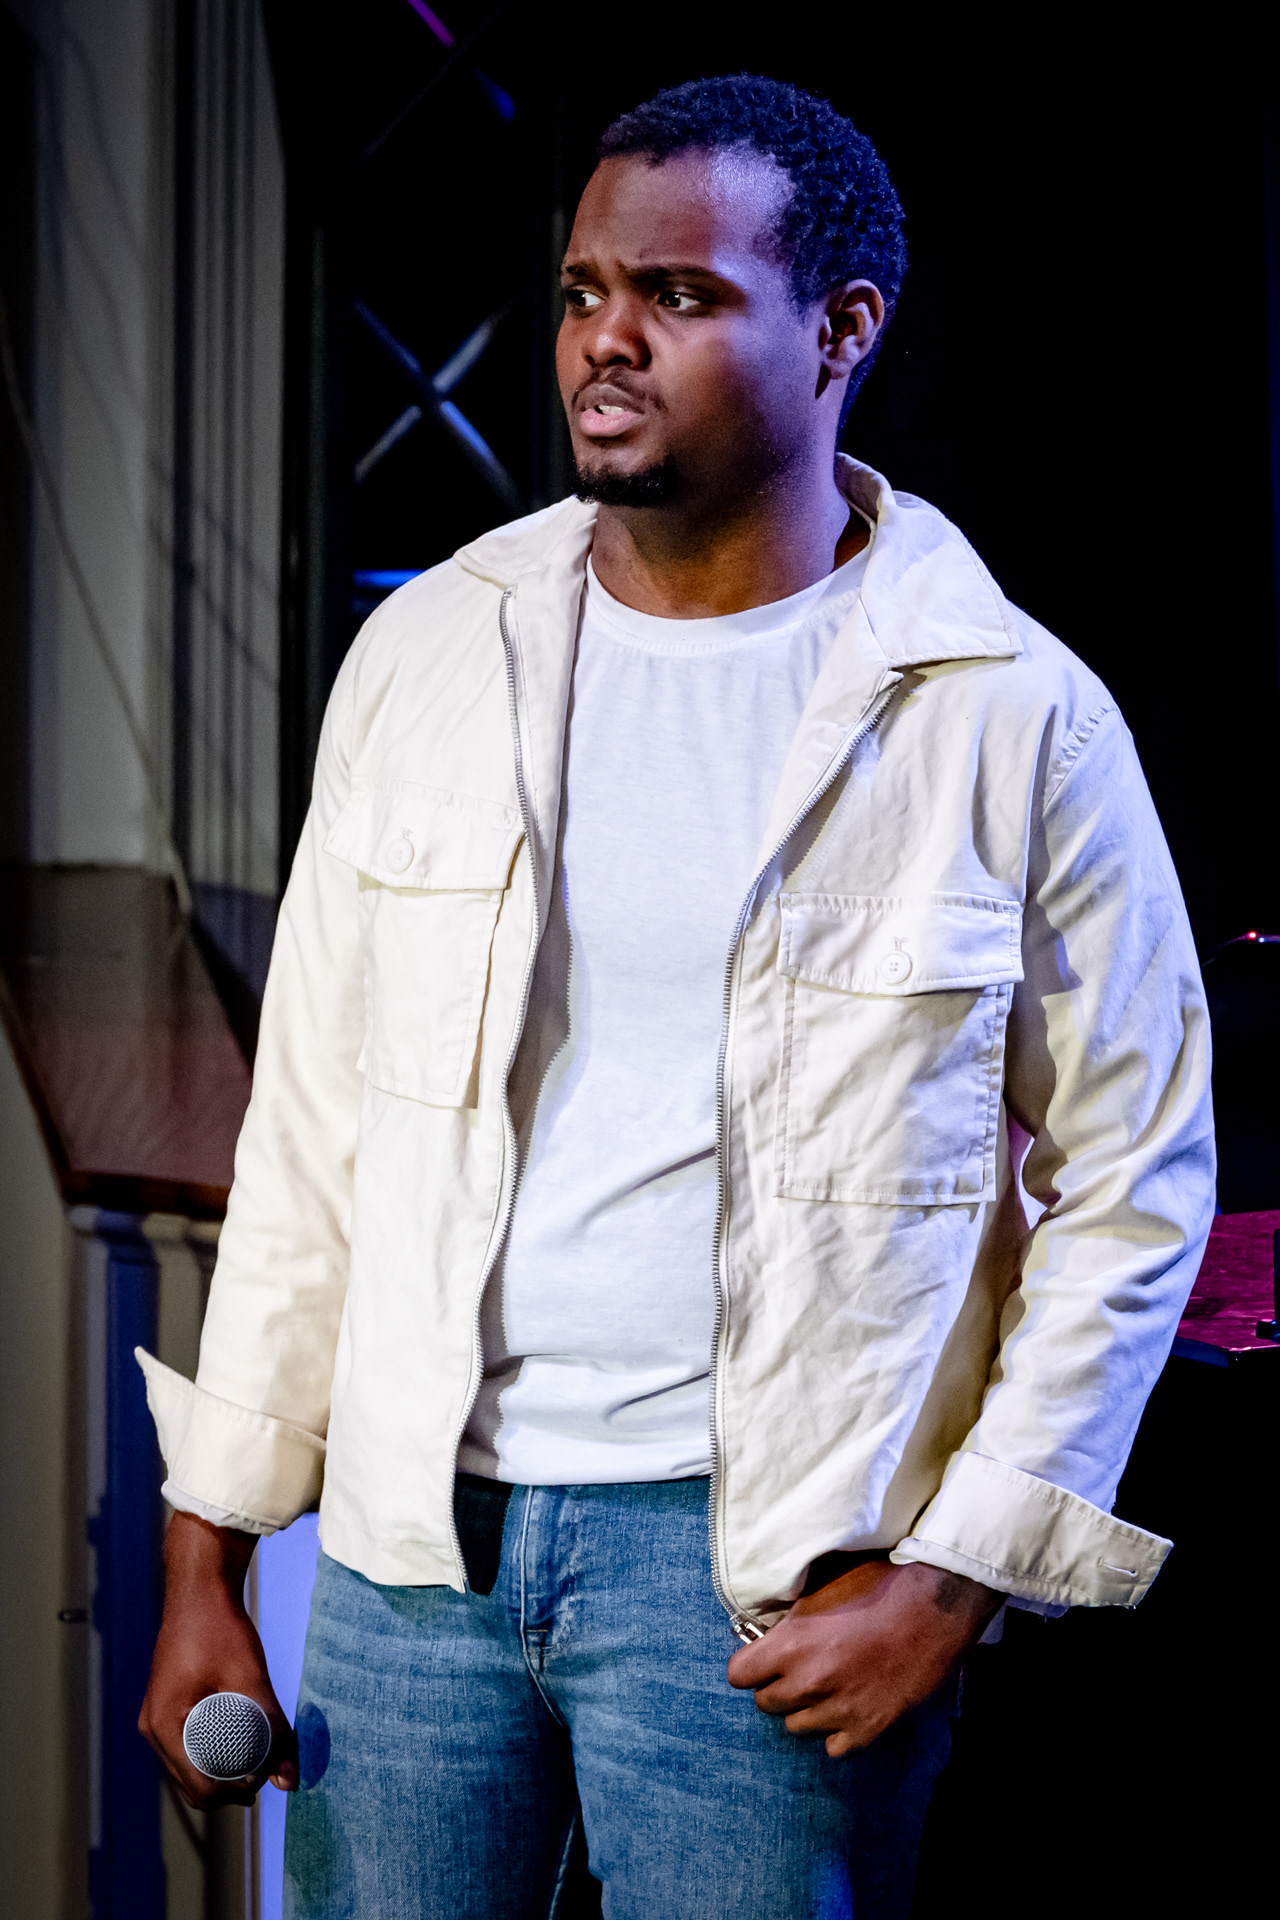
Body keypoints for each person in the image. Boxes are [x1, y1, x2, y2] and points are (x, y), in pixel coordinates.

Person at [138, 75, 1214, 1919]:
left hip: (758, 1580)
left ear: (843, 329)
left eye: (680, 295)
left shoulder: (1005, 712)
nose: (603, 342)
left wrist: (950, 1579)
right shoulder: (431, 650)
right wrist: (204, 1563)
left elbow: (1135, 1183)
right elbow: (311, 1136)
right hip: (417, 1556)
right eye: (581, 291)